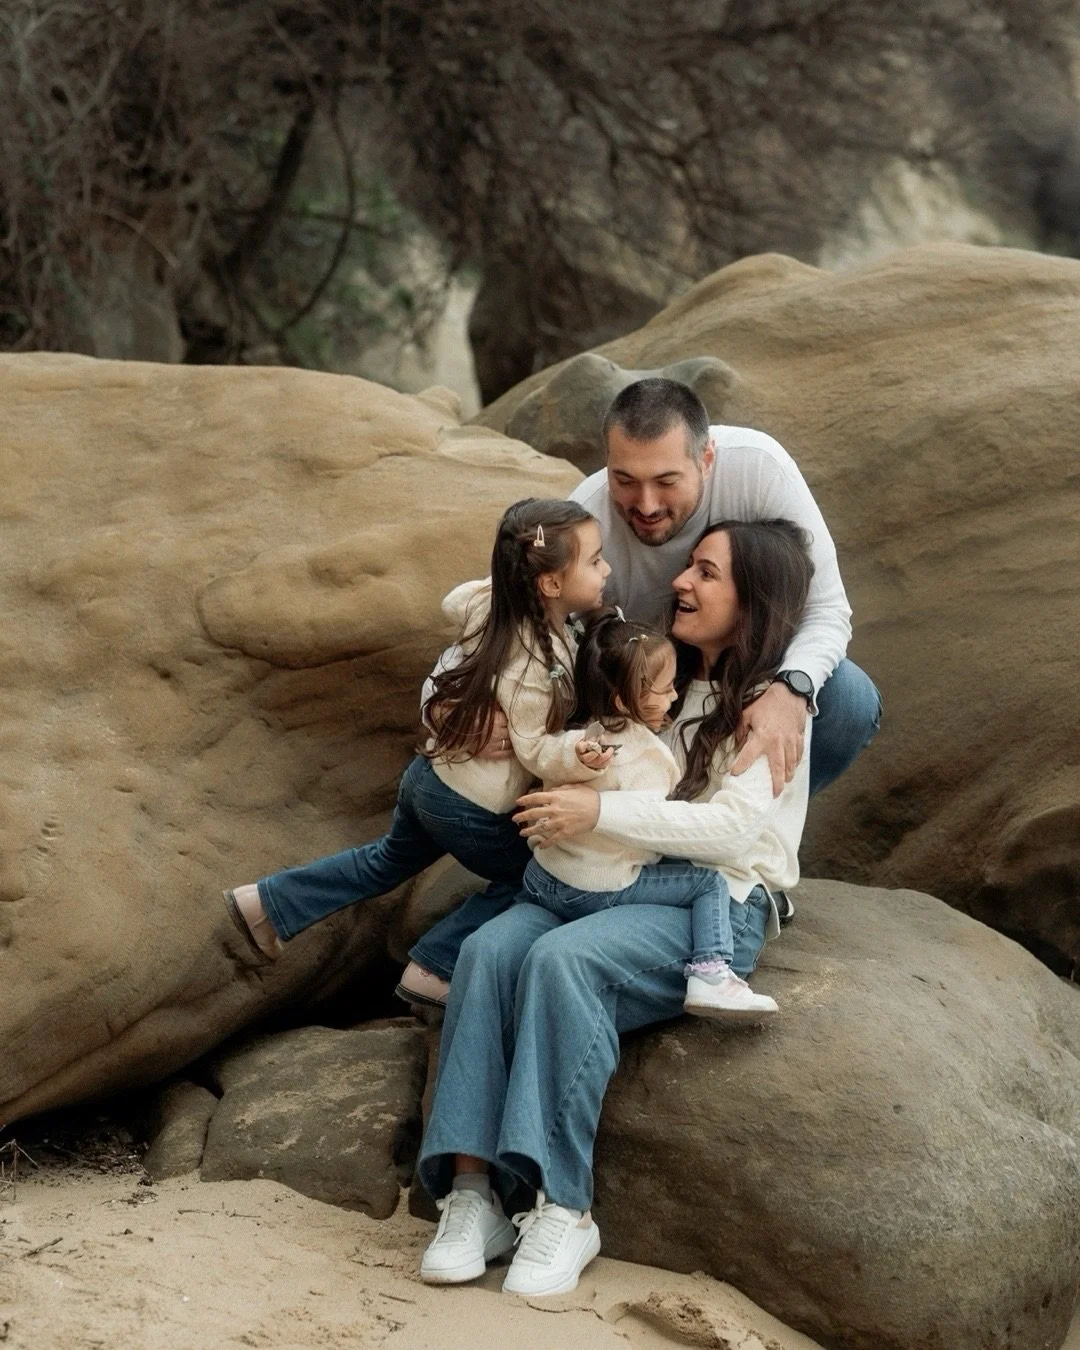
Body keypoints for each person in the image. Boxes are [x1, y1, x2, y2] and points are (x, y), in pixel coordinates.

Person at [416, 518, 816, 1297]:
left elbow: (733, 831)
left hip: (714, 900)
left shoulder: (776, 710)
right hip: (613, 879)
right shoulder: (650, 672)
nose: (681, 582)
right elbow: (496, 643)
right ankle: (474, 1196)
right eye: (689, 567)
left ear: (755, 600)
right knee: (490, 952)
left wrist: (596, 815)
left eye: (706, 572)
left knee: (565, 963)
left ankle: (564, 1206)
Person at [400, 377, 880, 1003]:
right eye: (625, 480)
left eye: (666, 482)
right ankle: (599, 879)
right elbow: (506, 612)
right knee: (526, 766)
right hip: (627, 701)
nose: (645, 503)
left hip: (734, 678)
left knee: (844, 697)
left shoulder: (760, 469)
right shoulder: (585, 518)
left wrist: (790, 690)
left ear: (706, 460)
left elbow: (827, 611)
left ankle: (727, 856)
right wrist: (447, 706)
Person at [221, 498, 611, 987]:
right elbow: (532, 749)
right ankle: (435, 966)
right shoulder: (535, 664)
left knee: (386, 860)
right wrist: (581, 756)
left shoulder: (490, 605)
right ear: (551, 583)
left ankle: (266, 904)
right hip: (471, 807)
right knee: (535, 874)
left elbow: (455, 603)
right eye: (595, 561)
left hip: (428, 778)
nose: (606, 569)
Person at [516, 604, 787, 1019]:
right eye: (664, 689)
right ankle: (711, 973)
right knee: (709, 884)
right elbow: (651, 822)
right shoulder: (648, 758)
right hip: (596, 887)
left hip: (543, 876)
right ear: (626, 700)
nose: (675, 695)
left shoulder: (580, 737)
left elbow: (544, 756)